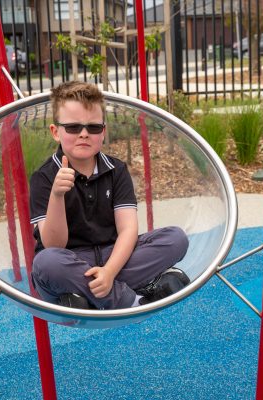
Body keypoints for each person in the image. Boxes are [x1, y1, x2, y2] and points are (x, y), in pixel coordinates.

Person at [29, 81, 190, 310]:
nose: (84, 134)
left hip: (114, 256)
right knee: (46, 263)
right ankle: (132, 298)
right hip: (71, 261)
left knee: (176, 238)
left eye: (93, 128)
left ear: (103, 132)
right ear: (56, 132)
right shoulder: (44, 177)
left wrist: (109, 272)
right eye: (73, 127)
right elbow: (55, 244)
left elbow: (128, 230)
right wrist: (57, 196)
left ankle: (89, 295)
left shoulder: (116, 170)